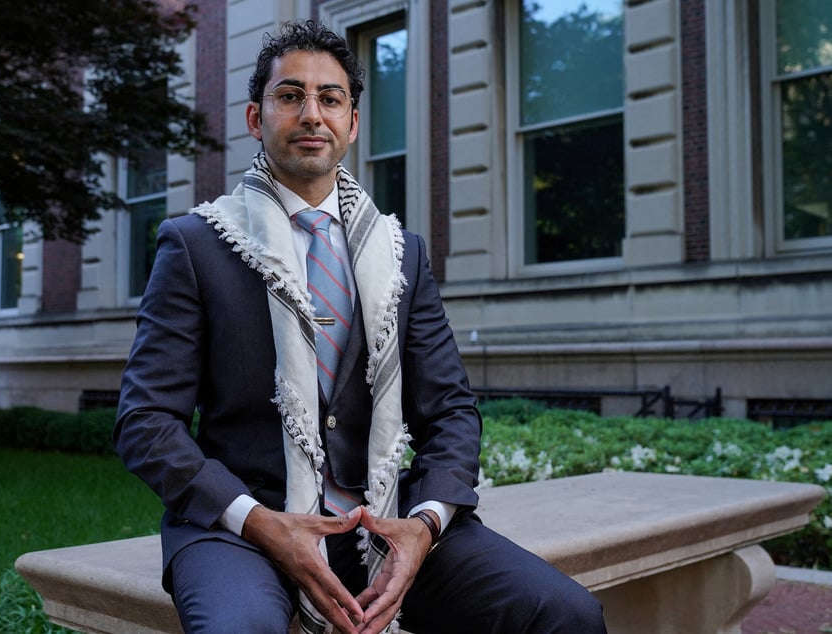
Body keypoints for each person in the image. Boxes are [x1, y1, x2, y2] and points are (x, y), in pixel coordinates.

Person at [115, 19, 606, 634]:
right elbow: (145, 421)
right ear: (255, 118)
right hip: (242, 529)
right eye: (290, 96)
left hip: (384, 519)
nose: (311, 114)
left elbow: (451, 412)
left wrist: (423, 526)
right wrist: (261, 522)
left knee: (567, 614)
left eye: (330, 98)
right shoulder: (195, 245)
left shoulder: (401, 254)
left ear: (351, 122)